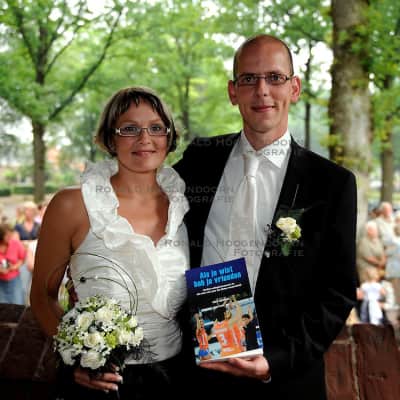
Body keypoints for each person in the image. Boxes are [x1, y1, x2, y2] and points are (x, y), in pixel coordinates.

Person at [175, 34, 357, 399]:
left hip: (284, 380)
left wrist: (276, 360)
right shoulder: (200, 160)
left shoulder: (331, 183)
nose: (262, 91)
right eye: (249, 79)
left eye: (274, 77)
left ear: (294, 88)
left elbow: (337, 292)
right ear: (233, 91)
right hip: (197, 376)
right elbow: (143, 208)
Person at [30, 86, 190, 398]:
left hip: (177, 379)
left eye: (156, 128)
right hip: (100, 384)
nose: (144, 138)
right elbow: (41, 296)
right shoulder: (72, 205)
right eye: (129, 128)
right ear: (110, 138)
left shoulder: (185, 206)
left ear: (169, 137)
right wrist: (76, 357)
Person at [0, 223, 27, 305]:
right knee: (3, 306)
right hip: (1, 282)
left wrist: (14, 267)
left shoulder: (15, 243)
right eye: (7, 236)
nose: (10, 238)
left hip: (14, 280)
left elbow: (23, 258)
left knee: (18, 304)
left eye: (10, 235)